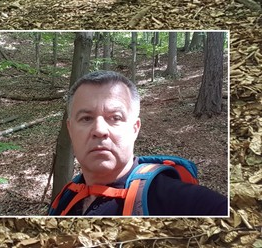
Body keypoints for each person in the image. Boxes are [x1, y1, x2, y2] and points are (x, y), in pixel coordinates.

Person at [49, 70, 228, 216]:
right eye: (86, 118)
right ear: (70, 129)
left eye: (115, 118)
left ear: (135, 128)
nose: (100, 130)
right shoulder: (65, 199)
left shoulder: (179, 200)